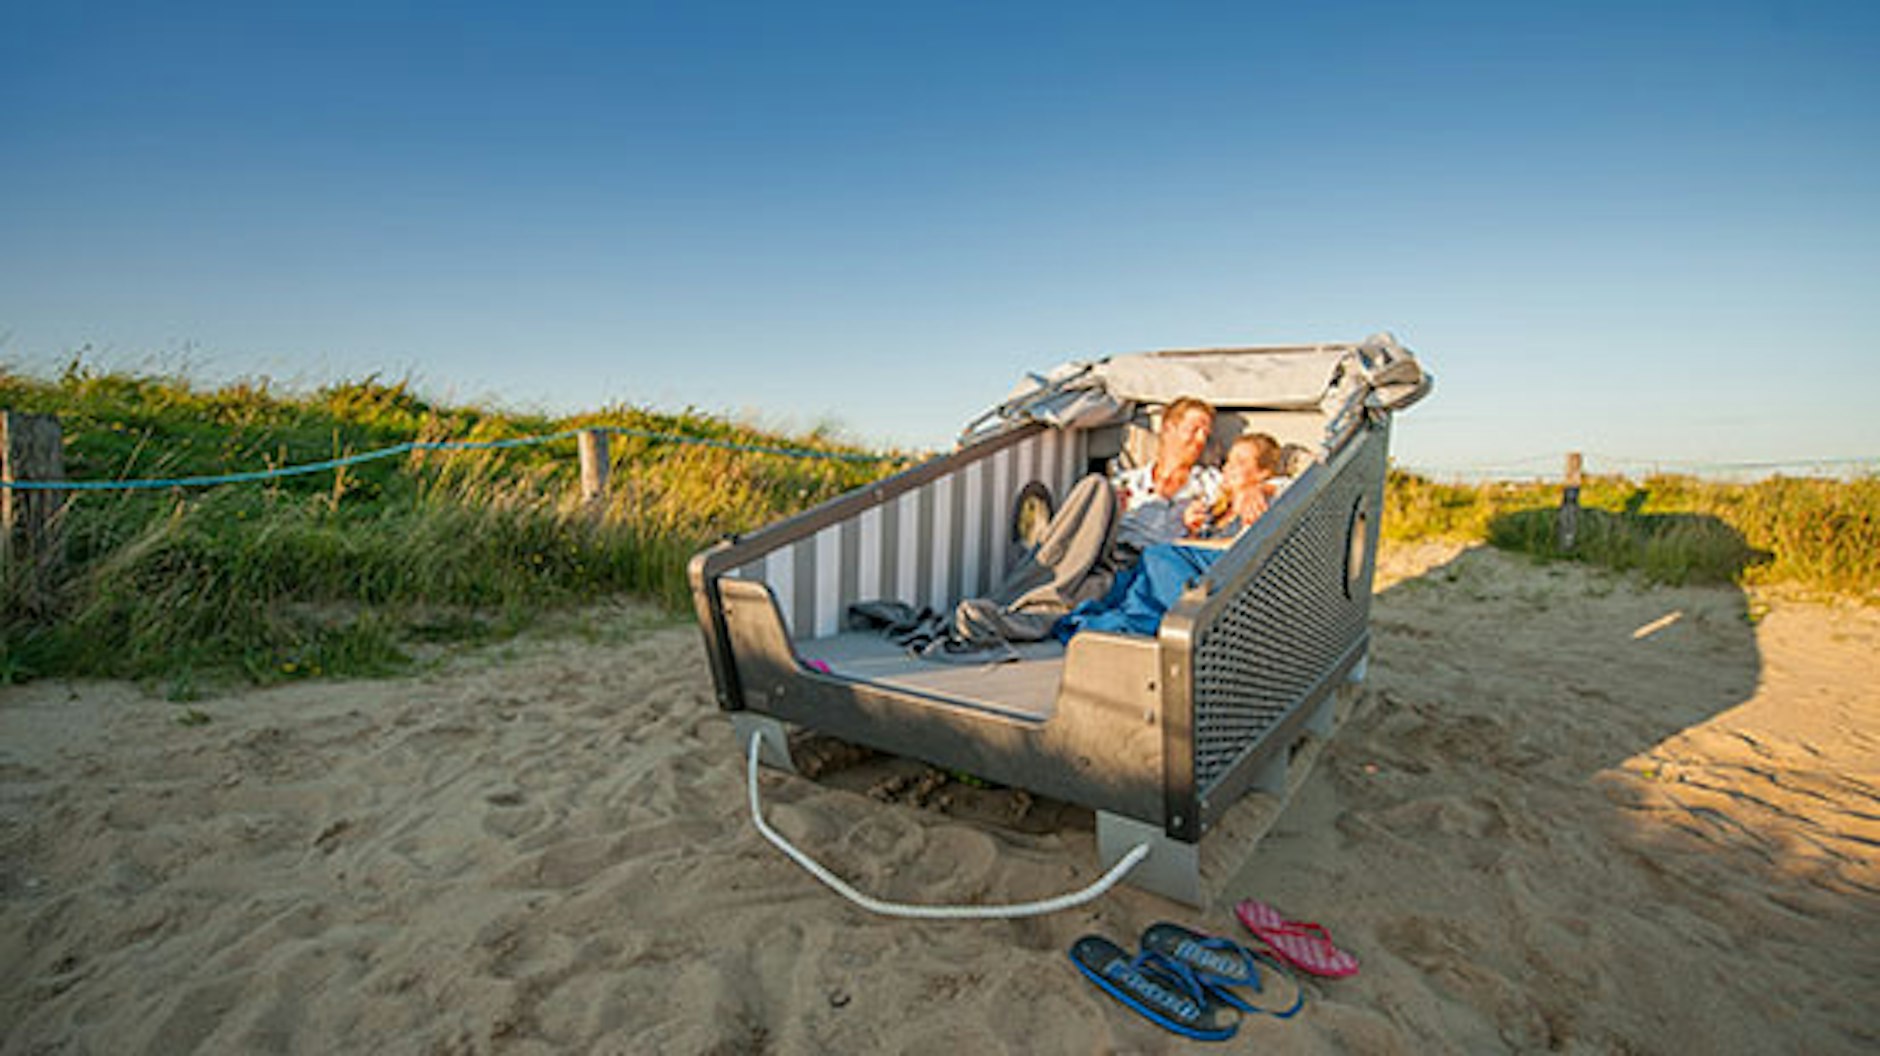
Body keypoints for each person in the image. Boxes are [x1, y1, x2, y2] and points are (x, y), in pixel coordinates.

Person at [936, 396, 1221, 651]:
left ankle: (995, 617)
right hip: (1099, 546)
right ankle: (1009, 597)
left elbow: (1258, 488)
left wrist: (1249, 496)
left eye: (1206, 434)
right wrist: (1116, 511)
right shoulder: (1130, 478)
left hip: (1131, 569)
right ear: (1168, 429)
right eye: (1194, 429)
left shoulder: (1209, 482)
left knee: (1071, 602)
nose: (1200, 440)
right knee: (1097, 487)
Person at [1187, 432, 1282, 541]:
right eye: (1228, 461)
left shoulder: (1260, 508)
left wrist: (1264, 488)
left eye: (1240, 462)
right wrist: (1191, 529)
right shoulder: (1215, 509)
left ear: (1262, 473)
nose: (1228, 468)